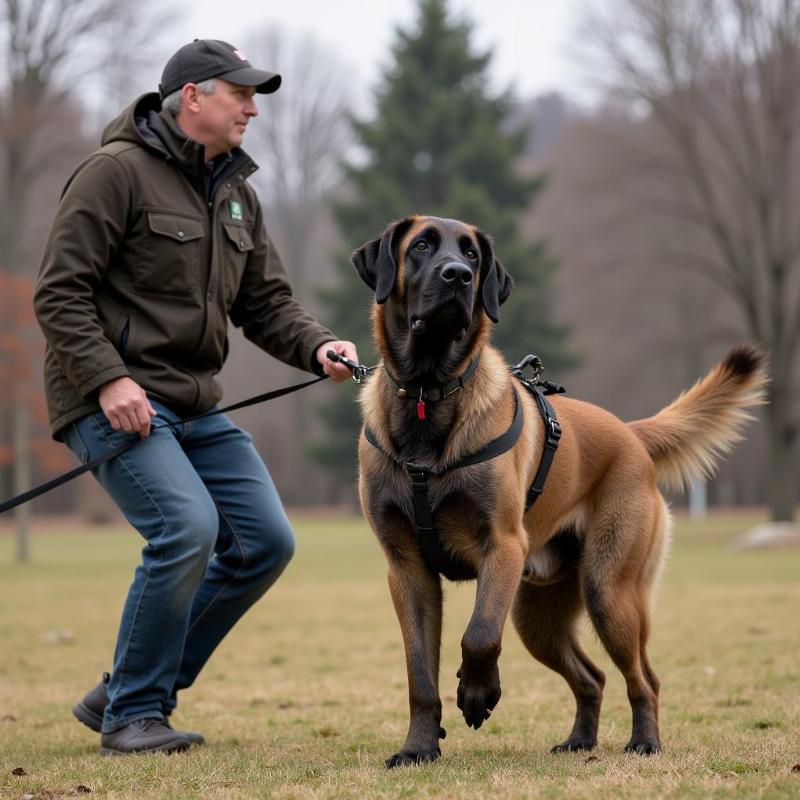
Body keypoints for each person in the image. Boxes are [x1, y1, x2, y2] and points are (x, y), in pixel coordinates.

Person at [33, 39, 358, 756]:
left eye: (255, 96)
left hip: (195, 405)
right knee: (186, 528)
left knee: (265, 543)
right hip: (106, 399)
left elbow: (267, 303)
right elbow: (59, 293)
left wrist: (319, 346)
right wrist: (109, 379)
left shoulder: (237, 191)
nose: (251, 107)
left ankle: (126, 687)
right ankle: (133, 714)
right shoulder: (114, 173)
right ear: (192, 97)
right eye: (239, 93)